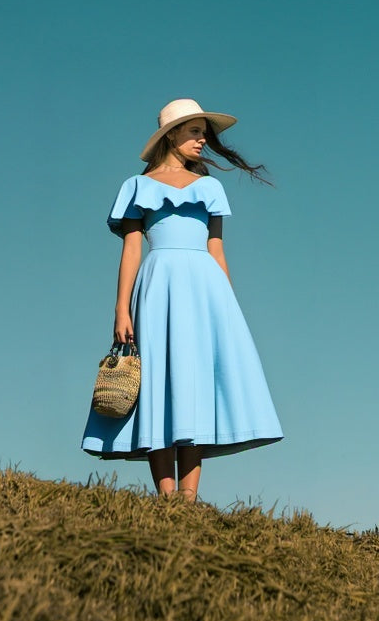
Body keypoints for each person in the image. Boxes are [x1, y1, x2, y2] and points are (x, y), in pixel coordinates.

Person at [81, 98, 283, 501]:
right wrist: (121, 307)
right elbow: (132, 250)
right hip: (157, 288)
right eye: (194, 131)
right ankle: (167, 498)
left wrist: (229, 305)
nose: (202, 140)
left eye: (203, 133)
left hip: (206, 291)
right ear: (170, 135)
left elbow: (217, 249)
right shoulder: (136, 186)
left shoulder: (210, 187)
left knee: (195, 387)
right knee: (158, 386)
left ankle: (190, 500)